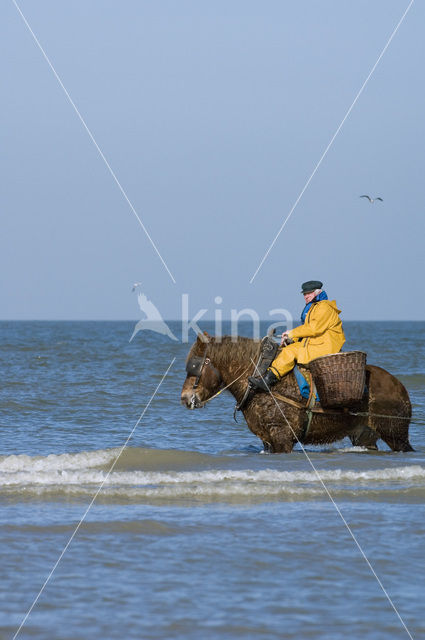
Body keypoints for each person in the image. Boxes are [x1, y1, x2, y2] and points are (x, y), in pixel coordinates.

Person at [249, 280, 345, 391]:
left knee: (289, 352)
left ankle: (268, 381)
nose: (306, 296)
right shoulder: (315, 307)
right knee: (287, 348)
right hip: (317, 344)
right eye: (304, 294)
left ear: (318, 292)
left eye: (309, 293)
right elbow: (308, 329)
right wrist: (291, 338)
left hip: (324, 348)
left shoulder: (324, 308)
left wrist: (292, 333)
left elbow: (313, 329)